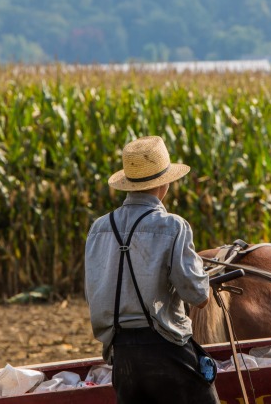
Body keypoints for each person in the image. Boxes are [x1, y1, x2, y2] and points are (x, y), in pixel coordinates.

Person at [85, 135, 220, 404]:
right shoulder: (173, 226)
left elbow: (95, 292)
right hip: (167, 350)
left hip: (121, 356)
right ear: (165, 183)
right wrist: (203, 277)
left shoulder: (99, 228)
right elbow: (198, 296)